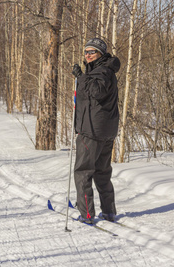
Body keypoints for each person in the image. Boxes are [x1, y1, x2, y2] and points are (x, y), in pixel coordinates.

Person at [71, 38, 120, 224]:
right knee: (102, 171)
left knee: (83, 172)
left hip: (92, 130)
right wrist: (83, 77)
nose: (88, 55)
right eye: (86, 52)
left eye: (92, 52)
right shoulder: (103, 70)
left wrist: (81, 78)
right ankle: (108, 211)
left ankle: (87, 214)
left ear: (101, 53)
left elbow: (96, 92)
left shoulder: (102, 71)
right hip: (103, 129)